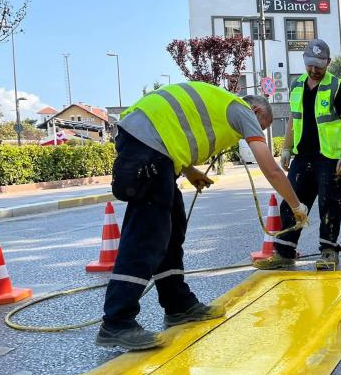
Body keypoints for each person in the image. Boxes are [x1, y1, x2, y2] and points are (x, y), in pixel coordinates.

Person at [97, 82, 308, 350]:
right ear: (256, 111)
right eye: (261, 126)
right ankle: (117, 321)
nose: (253, 134)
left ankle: (178, 304)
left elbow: (174, 127)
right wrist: (296, 205)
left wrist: (188, 170)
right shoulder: (241, 110)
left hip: (152, 147)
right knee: (146, 235)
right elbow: (271, 169)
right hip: (147, 147)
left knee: (172, 228)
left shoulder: (221, 104)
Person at [258, 39, 341, 271]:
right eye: (310, 65)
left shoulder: (337, 86)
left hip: (329, 158)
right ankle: (284, 253)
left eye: (319, 66)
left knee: (329, 204)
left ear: (328, 63)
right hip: (302, 156)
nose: (313, 70)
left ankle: (329, 251)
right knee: (291, 203)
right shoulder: (297, 85)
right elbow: (294, 119)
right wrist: (286, 148)